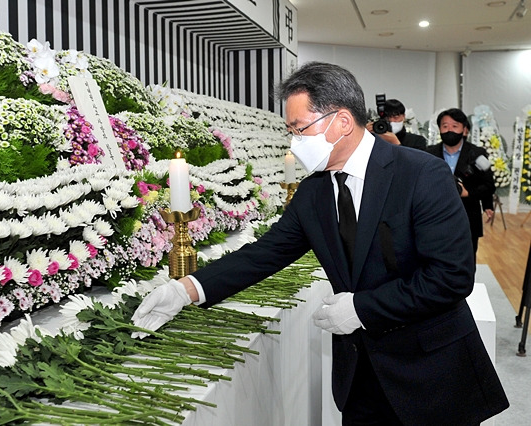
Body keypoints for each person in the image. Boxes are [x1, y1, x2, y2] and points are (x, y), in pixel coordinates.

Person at [132, 62, 509, 425]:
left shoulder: (420, 174)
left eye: (300, 130)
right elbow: (266, 252)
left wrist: (362, 308)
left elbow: (450, 277)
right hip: (361, 376)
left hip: (431, 374)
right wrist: (186, 290)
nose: (295, 143)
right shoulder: (314, 192)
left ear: (342, 121)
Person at [426, 108, 496, 259]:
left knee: (466, 262)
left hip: (468, 218)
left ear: (465, 130)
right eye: (445, 126)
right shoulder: (429, 154)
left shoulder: (477, 154)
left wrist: (469, 193)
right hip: (435, 220)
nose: (449, 130)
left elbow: (489, 185)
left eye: (454, 126)